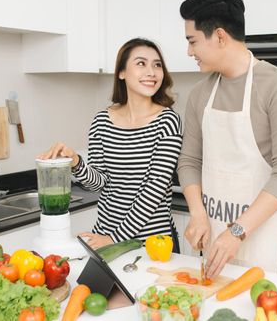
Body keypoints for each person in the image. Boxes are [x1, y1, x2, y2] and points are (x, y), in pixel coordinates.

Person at [177, 0, 277, 278]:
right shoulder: (200, 94)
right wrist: (198, 212)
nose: (189, 52)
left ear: (220, 36)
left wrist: (236, 232)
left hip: (260, 238)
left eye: (192, 41)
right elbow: (188, 160)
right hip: (212, 236)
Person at [39, 38, 183, 250]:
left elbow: (155, 189)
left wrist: (115, 237)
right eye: (141, 63)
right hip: (105, 237)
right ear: (121, 72)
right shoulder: (102, 121)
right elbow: (99, 183)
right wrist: (76, 163)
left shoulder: (168, 121)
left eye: (157, 65)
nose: (152, 72)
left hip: (152, 245)